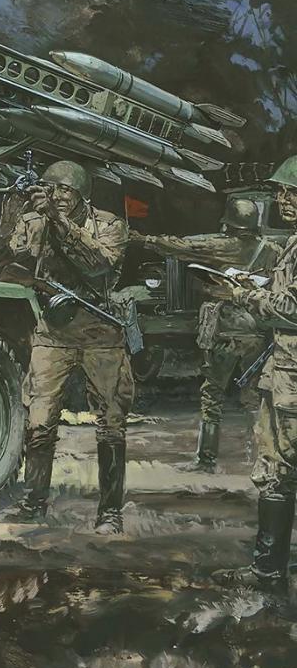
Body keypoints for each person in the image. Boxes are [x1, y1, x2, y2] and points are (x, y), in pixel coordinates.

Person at [0, 160, 133, 534]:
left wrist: (55, 218)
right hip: (53, 331)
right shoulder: (35, 222)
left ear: (83, 195)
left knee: (111, 425)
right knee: (39, 421)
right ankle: (34, 503)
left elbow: (99, 264)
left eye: (65, 190)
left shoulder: (110, 224)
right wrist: (9, 215)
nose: (57, 196)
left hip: (102, 333)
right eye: (51, 189)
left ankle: (110, 512)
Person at [132, 197, 282, 472]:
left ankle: (206, 460)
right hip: (256, 330)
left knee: (212, 394)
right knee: (254, 398)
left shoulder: (223, 246)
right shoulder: (273, 250)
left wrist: (144, 240)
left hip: (224, 330)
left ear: (229, 223)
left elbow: (183, 247)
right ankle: (262, 459)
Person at [214, 160, 297, 592]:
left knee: (281, 466)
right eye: (281, 192)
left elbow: (291, 310)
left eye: (292, 192)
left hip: (292, 378)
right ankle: (268, 570)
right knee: (275, 468)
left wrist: (246, 297)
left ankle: (269, 574)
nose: (283, 200)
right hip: (282, 371)